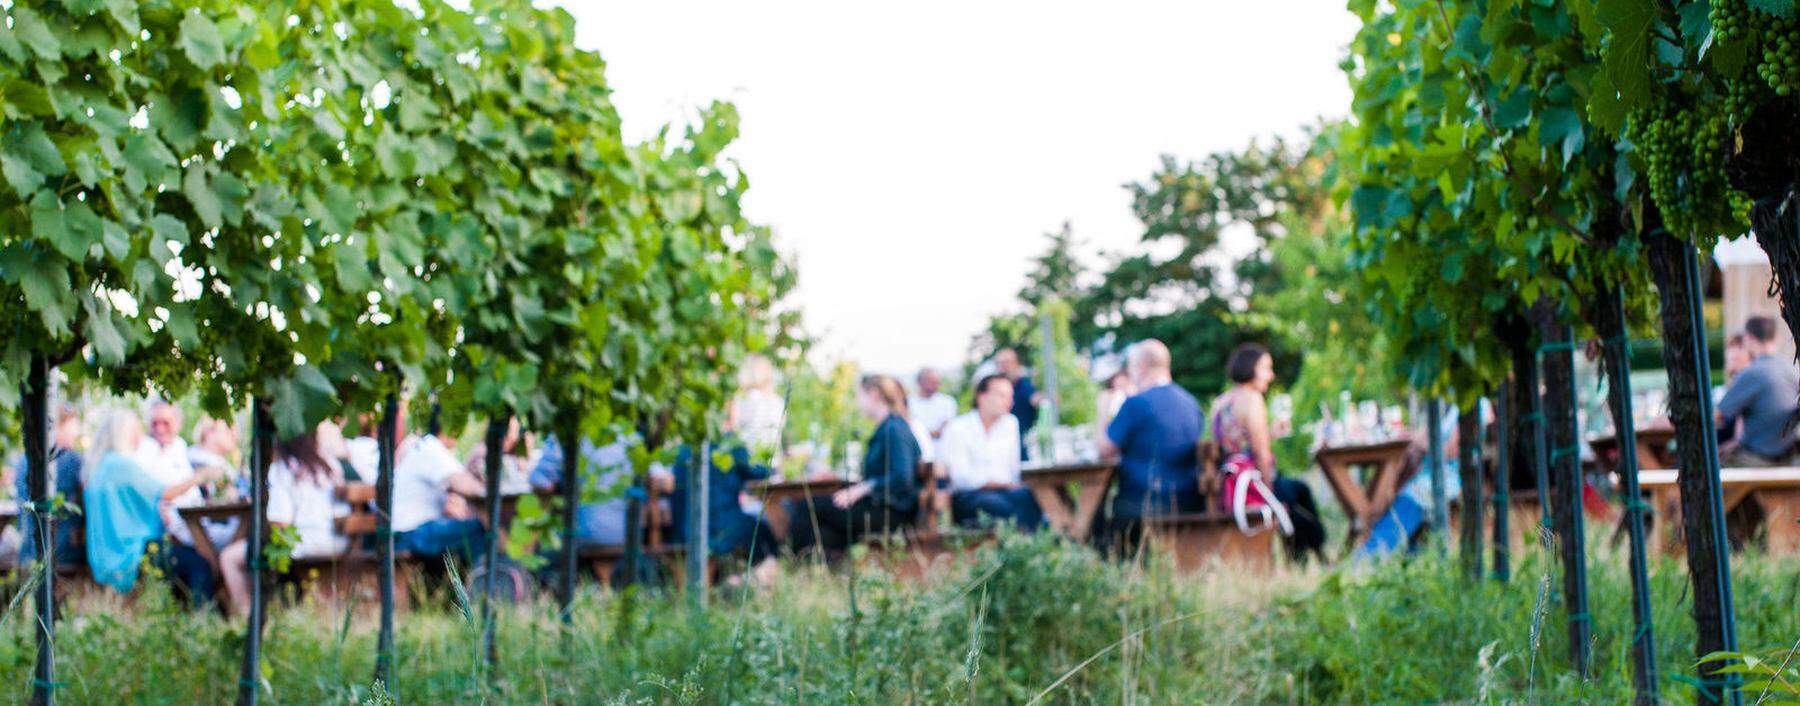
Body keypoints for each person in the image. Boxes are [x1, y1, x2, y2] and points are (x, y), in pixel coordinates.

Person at [83, 410, 221, 603]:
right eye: (137, 430)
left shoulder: (99, 467)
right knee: (199, 565)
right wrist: (200, 477)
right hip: (129, 555)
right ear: (126, 433)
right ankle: (204, 620)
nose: (141, 436)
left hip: (104, 556)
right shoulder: (121, 465)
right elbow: (164, 493)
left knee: (182, 558)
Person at [1210, 343, 1327, 561]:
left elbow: (1235, 446)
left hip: (1231, 485)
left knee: (1295, 491)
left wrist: (1268, 434)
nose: (1270, 375)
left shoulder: (1221, 402)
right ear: (1250, 368)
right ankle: (1307, 558)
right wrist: (1270, 493)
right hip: (1251, 488)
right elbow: (1262, 455)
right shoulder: (1252, 399)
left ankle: (1313, 556)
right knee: (1299, 493)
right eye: (1266, 368)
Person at [220, 425, 347, 615]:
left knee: (230, 557)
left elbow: (280, 524)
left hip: (304, 544)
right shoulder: (331, 464)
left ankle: (247, 615)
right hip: (338, 541)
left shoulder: (282, 469)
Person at [789, 375, 921, 553]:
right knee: (824, 529)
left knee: (808, 506)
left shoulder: (894, 429)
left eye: (860, 396)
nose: (858, 403)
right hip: (881, 507)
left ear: (874, 394)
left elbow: (902, 478)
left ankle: (792, 562)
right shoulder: (886, 428)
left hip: (892, 513)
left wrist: (863, 488)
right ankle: (819, 566)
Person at [1097, 339, 1203, 552]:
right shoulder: (1191, 402)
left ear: (1141, 366)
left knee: (1096, 515)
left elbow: (1104, 451)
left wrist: (1102, 411)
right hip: (1189, 500)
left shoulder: (1136, 404)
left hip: (1142, 502)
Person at [668, 443, 783, 585]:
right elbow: (759, 472)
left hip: (685, 532)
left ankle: (737, 581)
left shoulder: (681, 450)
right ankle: (748, 581)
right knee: (764, 534)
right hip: (724, 528)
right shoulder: (730, 446)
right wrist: (775, 465)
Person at [937, 374, 1041, 530]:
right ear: (982, 397)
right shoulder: (957, 428)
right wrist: (995, 483)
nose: (1009, 401)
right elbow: (960, 477)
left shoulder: (1010, 423)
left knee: (1033, 497)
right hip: (970, 496)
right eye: (1001, 395)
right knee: (998, 506)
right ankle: (1022, 545)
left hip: (1006, 491)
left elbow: (1013, 468)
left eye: (1010, 396)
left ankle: (1029, 545)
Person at [391, 418, 488, 564]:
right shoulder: (430, 447)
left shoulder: (428, 446)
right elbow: (467, 486)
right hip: (409, 535)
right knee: (481, 529)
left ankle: (474, 581)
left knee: (476, 529)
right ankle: (482, 583)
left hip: (408, 532)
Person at [1715, 315, 1799, 466]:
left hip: (1757, 459)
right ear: (1775, 337)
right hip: (1788, 457)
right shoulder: (1793, 370)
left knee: (1706, 471)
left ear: (1748, 338)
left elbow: (1715, 416)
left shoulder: (1751, 373)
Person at [529, 434, 633, 547]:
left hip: (579, 535)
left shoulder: (565, 431)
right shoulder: (630, 435)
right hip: (625, 535)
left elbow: (541, 484)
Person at [14, 404, 85, 567]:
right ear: (59, 426)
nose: (77, 433)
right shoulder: (72, 461)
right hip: (62, 555)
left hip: (27, 554)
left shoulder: (23, 460)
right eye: (73, 427)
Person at [729, 354, 786, 453]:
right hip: (767, 459)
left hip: (747, 456)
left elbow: (735, 426)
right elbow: (778, 435)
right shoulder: (778, 401)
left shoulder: (741, 397)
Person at [995, 348, 1044, 461]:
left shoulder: (1025, 385)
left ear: (1016, 364)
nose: (1003, 367)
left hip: (1022, 445)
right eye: (1000, 363)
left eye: (1006, 362)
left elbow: (1036, 400)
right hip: (999, 446)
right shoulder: (992, 388)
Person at [909, 367, 958, 440]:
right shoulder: (909, 402)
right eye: (931, 382)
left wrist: (924, 434)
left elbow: (948, 427)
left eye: (937, 382)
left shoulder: (948, 401)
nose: (936, 385)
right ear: (920, 382)